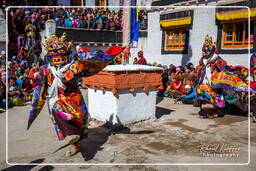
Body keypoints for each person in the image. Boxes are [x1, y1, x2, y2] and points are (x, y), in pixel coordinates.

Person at [27, 33, 124, 157]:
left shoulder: (74, 65)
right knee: (59, 114)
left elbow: (88, 63)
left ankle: (75, 141)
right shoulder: (47, 68)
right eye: (54, 56)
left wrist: (82, 60)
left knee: (77, 120)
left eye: (59, 55)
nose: (57, 59)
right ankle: (73, 140)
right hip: (56, 99)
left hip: (72, 99)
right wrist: (34, 76)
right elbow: (39, 79)